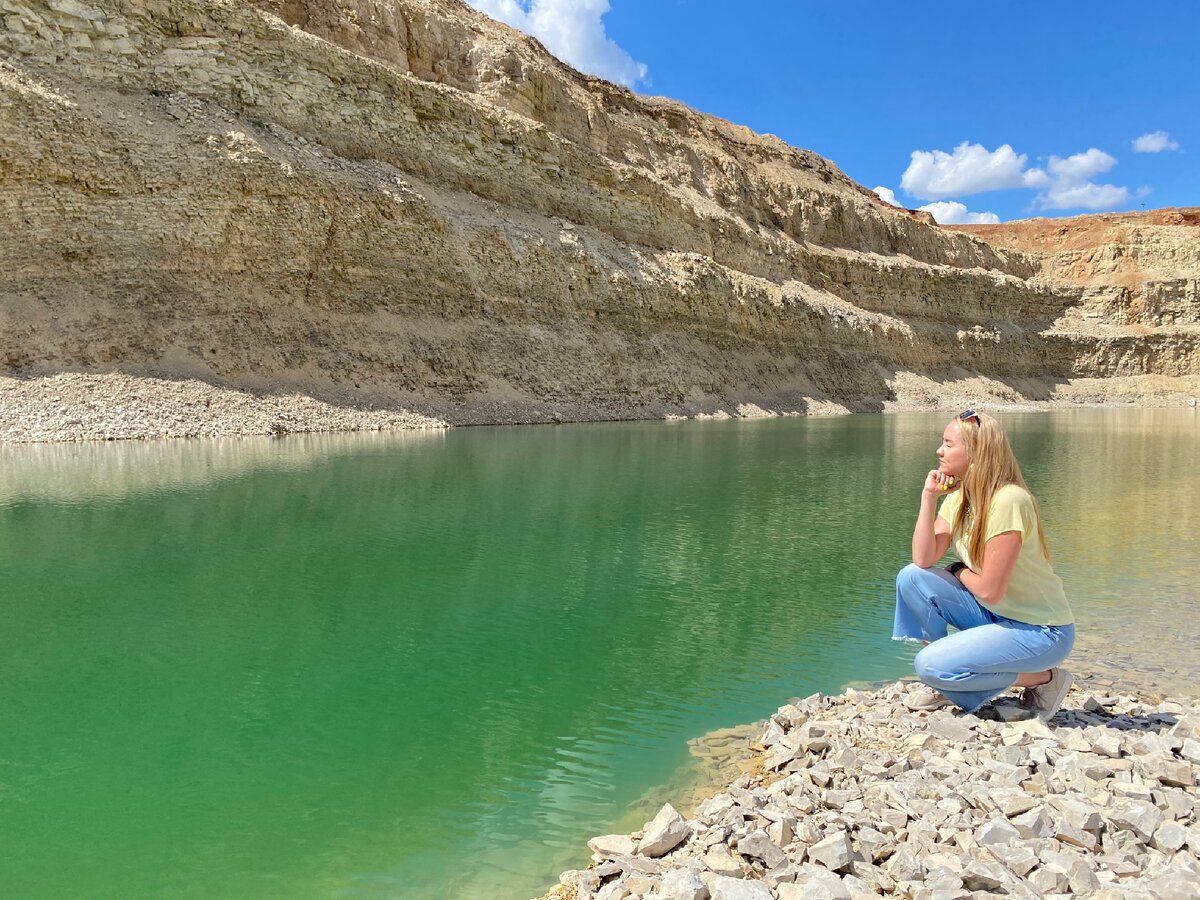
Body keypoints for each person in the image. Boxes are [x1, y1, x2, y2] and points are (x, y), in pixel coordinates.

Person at [892, 410, 1075, 720]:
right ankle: (947, 678)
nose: (939, 451)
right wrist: (928, 498)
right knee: (911, 578)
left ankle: (1045, 678)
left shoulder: (1009, 500)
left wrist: (958, 570)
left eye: (948, 444)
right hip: (997, 616)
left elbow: (989, 590)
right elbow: (923, 559)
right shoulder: (962, 495)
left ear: (976, 452)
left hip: (1041, 632)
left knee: (929, 665)